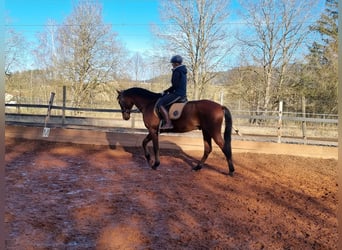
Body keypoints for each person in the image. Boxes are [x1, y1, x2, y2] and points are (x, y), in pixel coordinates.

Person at [157, 55, 187, 129]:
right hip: (180, 92)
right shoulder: (182, 70)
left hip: (177, 93)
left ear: (176, 63)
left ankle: (168, 123)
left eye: (172, 63)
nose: (172, 65)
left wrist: (166, 91)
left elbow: (175, 85)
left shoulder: (177, 71)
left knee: (160, 104)